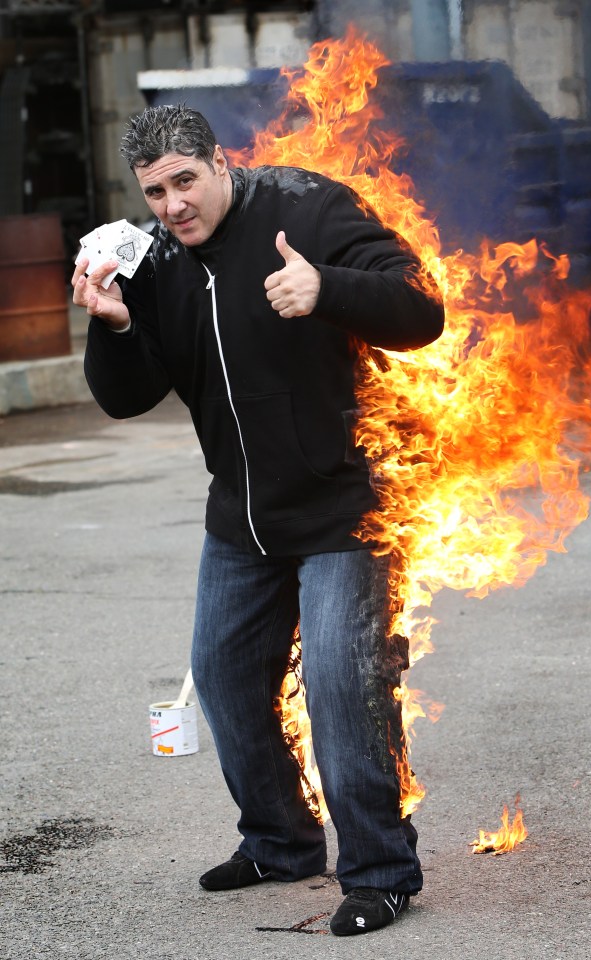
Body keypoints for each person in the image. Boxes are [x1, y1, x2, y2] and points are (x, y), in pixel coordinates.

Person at [72, 104, 444, 936]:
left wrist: (326, 288)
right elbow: (125, 397)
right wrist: (117, 327)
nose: (172, 205)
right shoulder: (158, 261)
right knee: (230, 680)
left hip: (346, 505)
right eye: (155, 191)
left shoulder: (308, 208)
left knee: (346, 693)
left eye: (185, 181)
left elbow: (423, 311)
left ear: (219, 163)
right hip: (242, 519)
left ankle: (381, 871)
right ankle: (280, 841)